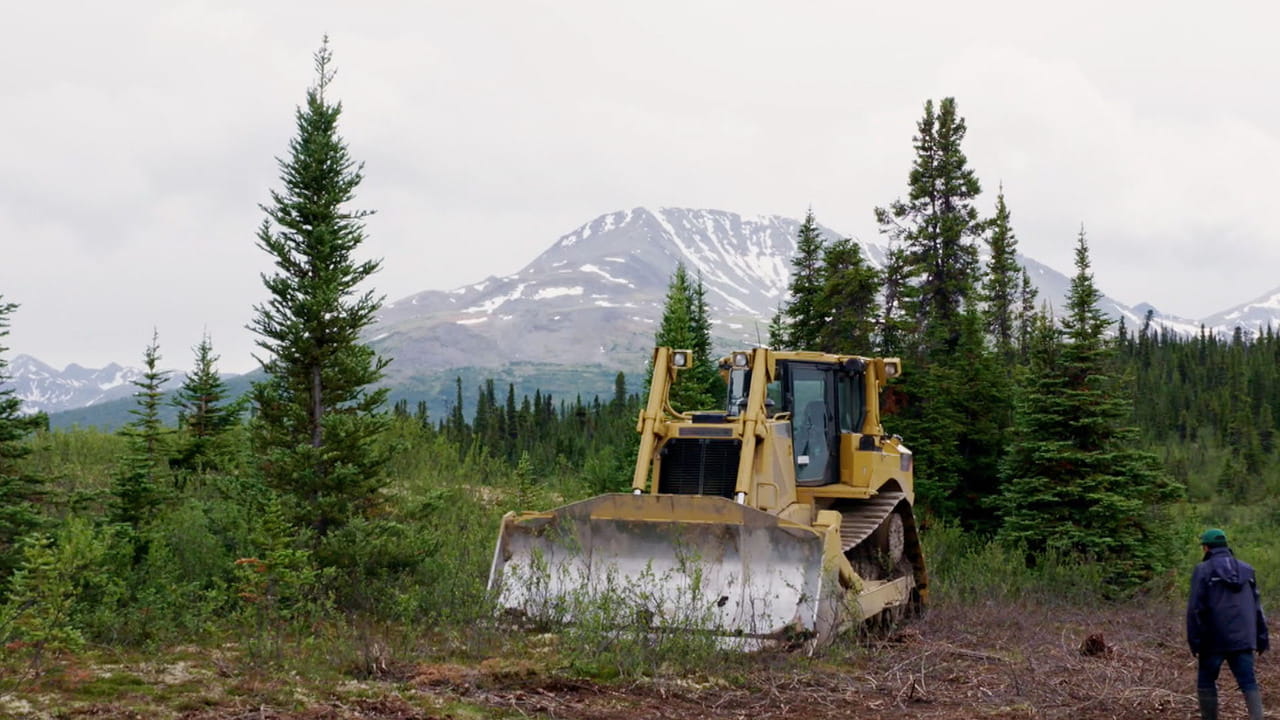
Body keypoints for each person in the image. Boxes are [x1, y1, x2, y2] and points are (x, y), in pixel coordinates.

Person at [1187, 528, 1268, 720]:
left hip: (1212, 639)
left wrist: (1194, 640)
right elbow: (1257, 607)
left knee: (1206, 681)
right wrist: (1262, 638)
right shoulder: (1247, 570)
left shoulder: (1202, 570)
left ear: (1206, 548)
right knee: (1249, 682)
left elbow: (1195, 608)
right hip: (1244, 638)